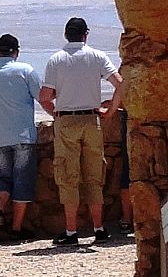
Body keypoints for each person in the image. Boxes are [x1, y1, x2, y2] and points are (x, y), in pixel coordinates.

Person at [37, 15, 119, 248]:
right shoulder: (97, 56)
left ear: (66, 35)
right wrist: (111, 110)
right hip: (92, 119)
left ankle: (71, 232)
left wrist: (54, 112)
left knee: (68, 176)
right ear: (86, 35)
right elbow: (120, 83)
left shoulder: (56, 60)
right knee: (94, 175)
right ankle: (99, 229)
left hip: (67, 121)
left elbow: (44, 96)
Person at [0, 33, 42, 241]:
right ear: (16, 52)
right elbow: (43, 96)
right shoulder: (25, 70)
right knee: (22, 179)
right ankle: (16, 228)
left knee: (3, 177)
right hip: (23, 136)